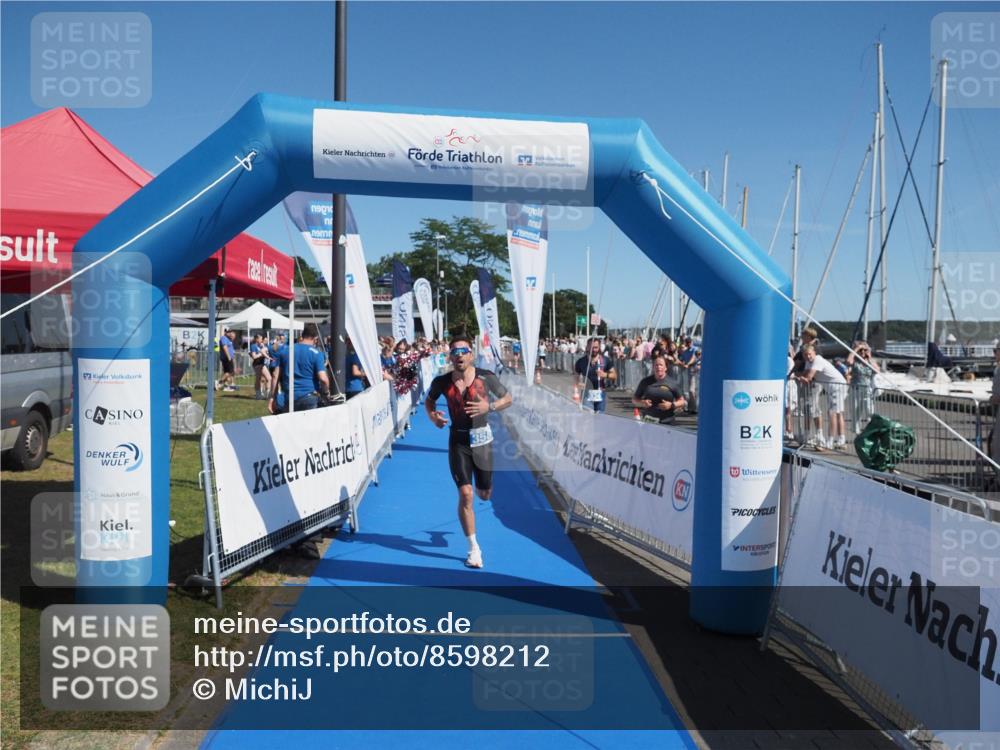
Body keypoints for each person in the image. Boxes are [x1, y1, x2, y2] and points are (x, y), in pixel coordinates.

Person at [425, 333, 512, 569]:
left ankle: (480, 488)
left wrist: (489, 406)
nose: (459, 355)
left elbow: (508, 398)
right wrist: (433, 417)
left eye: (463, 351)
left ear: (471, 354)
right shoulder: (441, 382)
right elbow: (429, 402)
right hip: (458, 442)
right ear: (450, 356)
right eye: (455, 351)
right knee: (466, 494)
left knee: (484, 494)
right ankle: (474, 548)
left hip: (483, 441)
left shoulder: (486, 377)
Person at [268, 324, 330, 413]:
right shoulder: (317, 354)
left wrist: (272, 398)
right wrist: (326, 393)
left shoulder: (285, 350)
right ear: (315, 339)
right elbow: (323, 379)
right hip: (309, 397)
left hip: (289, 398)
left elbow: (275, 375)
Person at [797, 344, 848, 450]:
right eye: (806, 355)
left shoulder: (817, 360)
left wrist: (797, 377)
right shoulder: (808, 362)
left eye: (810, 354)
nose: (808, 357)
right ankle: (841, 439)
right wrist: (800, 376)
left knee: (832, 413)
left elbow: (809, 377)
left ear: (814, 353)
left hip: (837, 386)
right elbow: (805, 374)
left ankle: (829, 442)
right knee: (838, 413)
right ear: (803, 355)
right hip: (833, 388)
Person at [632, 355, 686, 424]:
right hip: (649, 421)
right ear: (653, 367)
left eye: (661, 365)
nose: (658, 367)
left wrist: (671, 405)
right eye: (656, 365)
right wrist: (642, 403)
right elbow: (634, 399)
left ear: (666, 368)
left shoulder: (672, 383)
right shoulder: (645, 382)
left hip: (667, 422)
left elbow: (682, 401)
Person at [846, 340, 880, 433]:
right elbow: (848, 361)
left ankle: (871, 430)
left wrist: (869, 357)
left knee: (870, 411)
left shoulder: (869, 360)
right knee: (855, 412)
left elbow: (877, 370)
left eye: (864, 350)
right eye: (861, 351)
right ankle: (856, 432)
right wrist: (856, 349)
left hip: (867, 389)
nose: (862, 352)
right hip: (855, 389)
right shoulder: (855, 361)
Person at [575, 337, 616, 412]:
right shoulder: (581, 361)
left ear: (599, 347)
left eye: (596, 347)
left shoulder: (606, 360)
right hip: (587, 393)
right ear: (587, 347)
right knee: (588, 417)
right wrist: (579, 383)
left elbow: (614, 375)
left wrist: (605, 375)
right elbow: (576, 376)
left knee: (599, 418)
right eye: (591, 347)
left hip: (600, 392)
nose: (593, 350)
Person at [249, 334, 272, 399]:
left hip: (262, 364)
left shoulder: (261, 345)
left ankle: (268, 394)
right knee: (258, 379)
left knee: (269, 378)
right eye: (260, 339)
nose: (261, 340)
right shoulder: (253, 346)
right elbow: (254, 356)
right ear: (256, 339)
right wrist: (261, 354)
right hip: (257, 364)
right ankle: (258, 394)